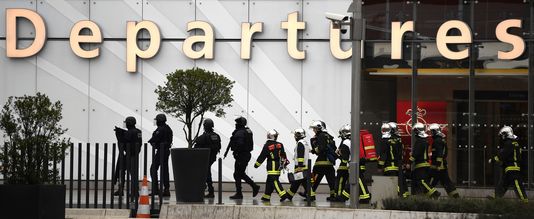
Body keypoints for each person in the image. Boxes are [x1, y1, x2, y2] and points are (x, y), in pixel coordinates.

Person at [224, 116, 260, 199]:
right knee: (239, 173)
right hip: (245, 155)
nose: (235, 124)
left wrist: (236, 153)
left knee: (237, 174)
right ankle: (247, 189)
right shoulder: (247, 131)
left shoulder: (240, 132)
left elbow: (240, 144)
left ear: (240, 124)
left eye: (237, 123)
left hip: (241, 155)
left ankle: (248, 189)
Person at [490, 126, 528, 202]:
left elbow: (503, 155)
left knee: (517, 184)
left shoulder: (509, 143)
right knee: (503, 185)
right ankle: (497, 199)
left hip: (512, 169)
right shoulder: (515, 143)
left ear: (506, 134)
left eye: (503, 135)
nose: (502, 137)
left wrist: (493, 160)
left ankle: (524, 201)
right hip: (510, 168)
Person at [335, 124, 371, 203]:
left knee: (357, 179)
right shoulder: (354, 140)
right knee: (356, 180)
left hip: (353, 164)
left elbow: (346, 157)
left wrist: (344, 164)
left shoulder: (346, 142)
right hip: (359, 162)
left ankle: (364, 197)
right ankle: (347, 197)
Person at [254, 129, 290, 202]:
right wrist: (284, 163)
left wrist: (257, 164)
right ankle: (266, 196)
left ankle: (283, 195)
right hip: (279, 164)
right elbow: (283, 154)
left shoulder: (267, 145)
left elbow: (262, 156)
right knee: (269, 180)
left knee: (274, 180)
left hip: (272, 165)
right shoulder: (280, 144)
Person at [377, 122, 409, 198]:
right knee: (400, 182)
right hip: (398, 166)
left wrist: (379, 166)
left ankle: (399, 197)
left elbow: (383, 155)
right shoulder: (398, 140)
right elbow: (401, 153)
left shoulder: (385, 141)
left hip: (389, 166)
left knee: (393, 184)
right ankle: (405, 197)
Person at [114, 116, 142, 200]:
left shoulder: (129, 132)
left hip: (128, 154)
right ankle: (135, 191)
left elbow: (123, 141)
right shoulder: (138, 131)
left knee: (121, 170)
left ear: (129, 123)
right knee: (133, 173)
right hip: (135, 154)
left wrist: (119, 134)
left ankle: (121, 188)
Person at [428, 123, 459, 198]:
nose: (431, 133)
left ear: (435, 131)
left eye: (432, 131)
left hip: (437, 167)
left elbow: (439, 154)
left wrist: (438, 165)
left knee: (429, 182)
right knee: (447, 182)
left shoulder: (437, 141)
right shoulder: (441, 140)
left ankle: (431, 195)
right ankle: (455, 196)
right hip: (442, 166)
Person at [410, 122, 440, 198]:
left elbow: (416, 153)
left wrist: (409, 162)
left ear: (417, 131)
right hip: (425, 165)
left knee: (422, 182)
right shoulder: (425, 140)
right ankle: (428, 196)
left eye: (415, 131)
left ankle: (435, 193)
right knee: (421, 182)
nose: (414, 133)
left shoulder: (419, 141)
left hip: (421, 166)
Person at [309, 120, 337, 201]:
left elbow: (321, 149)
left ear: (320, 128)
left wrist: (314, 147)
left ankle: (311, 195)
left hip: (321, 162)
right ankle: (333, 195)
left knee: (314, 179)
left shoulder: (320, 136)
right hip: (329, 163)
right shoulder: (329, 136)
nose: (314, 130)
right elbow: (333, 149)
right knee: (331, 180)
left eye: (315, 128)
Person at [194, 118, 221, 198]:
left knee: (205, 174)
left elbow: (197, 146)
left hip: (204, 158)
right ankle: (209, 190)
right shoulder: (216, 135)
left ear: (205, 126)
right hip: (212, 157)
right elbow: (219, 146)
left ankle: (206, 189)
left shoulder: (204, 136)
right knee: (207, 173)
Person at [148, 114, 173, 197]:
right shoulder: (168, 128)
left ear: (159, 120)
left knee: (153, 169)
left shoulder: (161, 129)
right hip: (166, 150)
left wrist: (152, 141)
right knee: (165, 169)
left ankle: (155, 189)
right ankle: (166, 189)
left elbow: (154, 139)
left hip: (161, 151)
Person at [286, 128, 312, 201]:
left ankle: (289, 195)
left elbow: (300, 155)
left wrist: (300, 166)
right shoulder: (305, 142)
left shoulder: (300, 143)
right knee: (302, 182)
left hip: (301, 166)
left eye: (295, 135)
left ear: (297, 136)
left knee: (296, 182)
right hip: (305, 166)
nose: (294, 137)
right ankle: (311, 195)